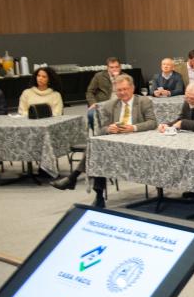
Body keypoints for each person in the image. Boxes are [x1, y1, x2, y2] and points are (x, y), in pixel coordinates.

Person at [51, 74, 156, 207]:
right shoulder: (110, 105)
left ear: (132, 88)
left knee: (97, 149)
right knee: (97, 147)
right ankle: (99, 195)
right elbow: (100, 131)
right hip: (115, 143)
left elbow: (153, 123)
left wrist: (133, 127)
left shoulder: (143, 101)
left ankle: (73, 178)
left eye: (125, 89)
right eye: (119, 90)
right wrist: (109, 129)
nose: (122, 93)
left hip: (138, 143)